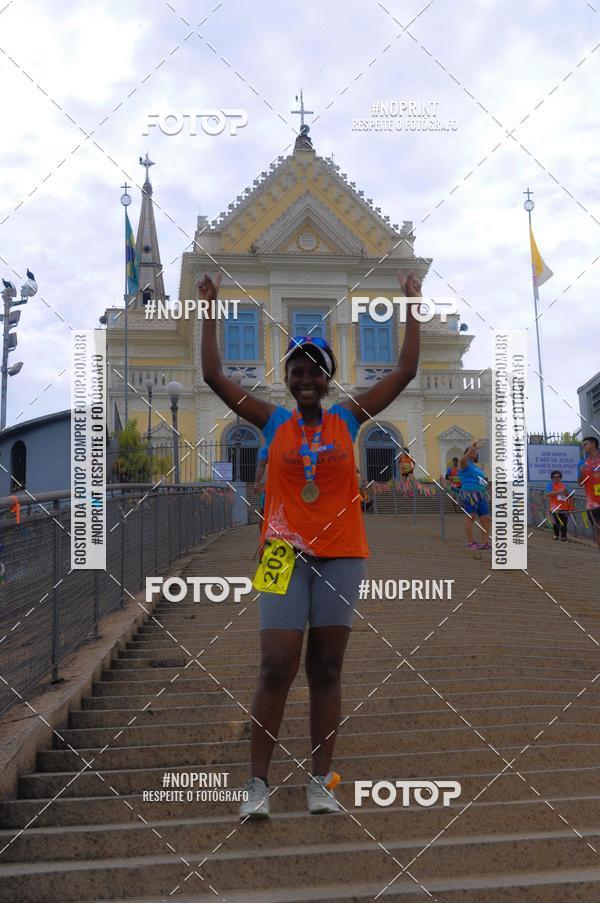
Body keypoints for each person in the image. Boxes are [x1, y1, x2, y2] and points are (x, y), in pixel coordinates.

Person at [200, 269, 422, 820]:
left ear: (327, 380)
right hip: (280, 552)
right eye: (295, 372)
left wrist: (413, 304)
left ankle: (322, 780)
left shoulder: (350, 418)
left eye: (312, 373)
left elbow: (404, 370)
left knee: (326, 667)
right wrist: (209, 310)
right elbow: (212, 375)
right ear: (289, 379)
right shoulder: (271, 420)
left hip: (343, 553)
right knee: (276, 663)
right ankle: (257, 784)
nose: (303, 380)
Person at [457, 441, 490, 550]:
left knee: (485, 518)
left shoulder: (476, 467)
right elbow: (462, 460)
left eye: (475, 451)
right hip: (469, 493)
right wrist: (471, 448)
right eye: (472, 451)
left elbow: (481, 479)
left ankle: (485, 542)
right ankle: (471, 542)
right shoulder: (464, 464)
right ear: (467, 452)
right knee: (471, 516)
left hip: (481, 492)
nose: (474, 452)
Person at [578, 436, 600, 550]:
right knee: (597, 528)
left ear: (593, 444)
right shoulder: (583, 463)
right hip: (592, 504)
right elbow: (580, 483)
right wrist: (582, 472)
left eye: (585, 444)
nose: (584, 447)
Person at [545, 470, 572, 541]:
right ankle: (556, 535)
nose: (557, 478)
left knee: (564, 523)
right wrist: (559, 492)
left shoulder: (565, 485)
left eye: (558, 477)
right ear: (552, 478)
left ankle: (563, 537)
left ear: (561, 478)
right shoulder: (550, 485)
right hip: (554, 507)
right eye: (555, 477)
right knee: (555, 522)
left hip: (565, 507)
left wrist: (566, 493)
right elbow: (548, 493)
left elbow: (570, 495)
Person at [254, 446, 268, 522]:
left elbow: (261, 466)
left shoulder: (266, 448)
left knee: (262, 513)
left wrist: (256, 483)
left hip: (269, 489)